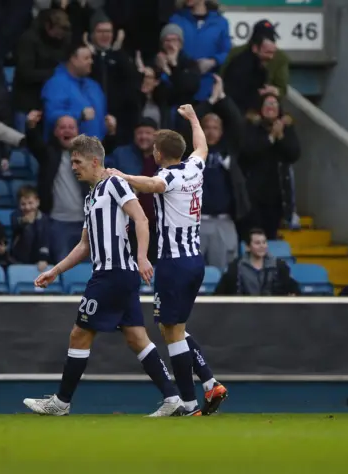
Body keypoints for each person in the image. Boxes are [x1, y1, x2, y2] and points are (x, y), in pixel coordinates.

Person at [22, 134, 190, 418]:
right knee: (137, 338)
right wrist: (55, 270)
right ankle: (173, 397)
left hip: (113, 274)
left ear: (95, 161)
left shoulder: (114, 183)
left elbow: (140, 218)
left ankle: (61, 402)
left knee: (79, 333)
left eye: (78, 162)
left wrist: (141, 257)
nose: (73, 167)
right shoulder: (90, 197)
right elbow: (84, 245)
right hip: (115, 276)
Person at [107, 104, 228, 416]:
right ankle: (210, 383)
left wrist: (123, 176)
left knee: (172, 332)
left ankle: (188, 404)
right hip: (194, 261)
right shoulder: (194, 168)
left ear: (159, 153)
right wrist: (192, 118)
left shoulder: (169, 175)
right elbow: (202, 145)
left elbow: (153, 185)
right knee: (176, 329)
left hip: (173, 264)